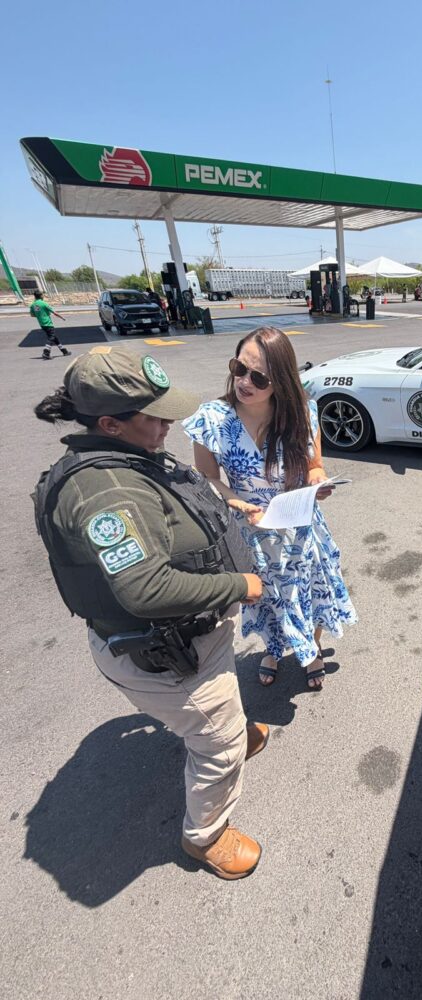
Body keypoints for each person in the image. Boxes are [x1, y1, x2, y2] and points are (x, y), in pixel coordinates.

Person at [33, 346, 268, 880]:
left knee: (220, 709)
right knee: (219, 742)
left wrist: (227, 505)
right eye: (153, 415)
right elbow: (147, 589)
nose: (167, 422)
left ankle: (222, 725)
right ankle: (205, 835)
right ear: (111, 424)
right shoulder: (106, 493)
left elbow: (176, 500)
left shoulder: (126, 454)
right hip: (166, 653)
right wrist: (243, 585)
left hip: (195, 635)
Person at [182, 326, 357, 690]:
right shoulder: (213, 418)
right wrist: (235, 501)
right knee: (265, 598)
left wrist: (316, 484)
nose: (244, 381)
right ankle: (274, 649)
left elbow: (314, 466)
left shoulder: (301, 414)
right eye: (239, 368)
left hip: (299, 525)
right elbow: (206, 476)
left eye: (258, 377)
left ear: (280, 380)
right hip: (249, 528)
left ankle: (313, 645)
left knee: (312, 588)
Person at [30, 290, 71, 360]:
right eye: (42, 295)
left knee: (55, 338)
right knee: (51, 337)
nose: (43, 296)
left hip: (41, 324)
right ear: (40, 296)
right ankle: (46, 352)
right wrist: (62, 317)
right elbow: (54, 312)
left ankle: (64, 351)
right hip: (48, 323)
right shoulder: (44, 303)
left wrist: (40, 315)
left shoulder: (32, 305)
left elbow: (32, 315)